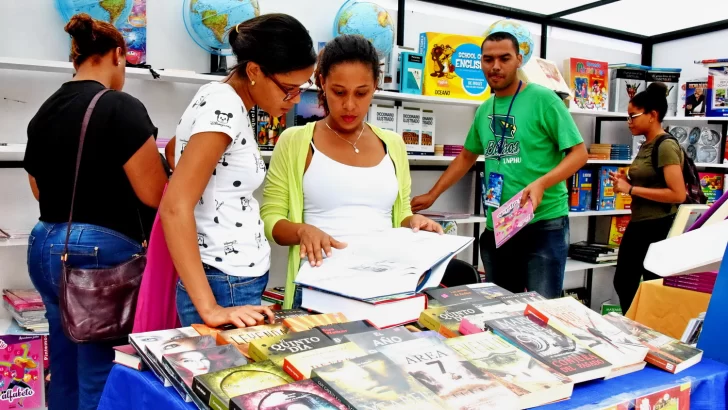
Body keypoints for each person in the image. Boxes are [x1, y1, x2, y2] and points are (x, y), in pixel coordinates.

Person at [23, 14, 167, 410]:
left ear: (76, 59)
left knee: (65, 360)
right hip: (99, 255)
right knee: (100, 369)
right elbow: (155, 193)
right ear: (118, 55)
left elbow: (38, 187)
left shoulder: (45, 111)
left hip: (45, 244)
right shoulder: (120, 106)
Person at [261, 35, 443, 309]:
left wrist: (415, 223)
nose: (349, 105)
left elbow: (401, 212)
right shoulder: (296, 141)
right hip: (318, 288)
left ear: (375, 88)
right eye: (338, 91)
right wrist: (302, 231)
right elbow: (270, 218)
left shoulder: (393, 144)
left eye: (361, 93)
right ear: (321, 83)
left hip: (385, 288)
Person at [160, 14, 317, 327]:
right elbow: (175, 208)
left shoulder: (216, 96)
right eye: (289, 88)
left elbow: (173, 150)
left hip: (231, 277)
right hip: (224, 283)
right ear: (255, 71)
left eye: (302, 88)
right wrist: (211, 310)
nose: (296, 99)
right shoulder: (226, 109)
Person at [411, 30, 588, 299]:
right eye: (488, 59)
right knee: (502, 308)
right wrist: (433, 194)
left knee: (543, 309)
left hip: (543, 224)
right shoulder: (484, 109)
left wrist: (542, 183)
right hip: (500, 226)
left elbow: (579, 154)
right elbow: (466, 157)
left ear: (518, 60)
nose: (495, 66)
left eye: (504, 58)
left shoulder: (544, 100)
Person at [610, 83, 686, 313]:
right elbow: (651, 180)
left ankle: (643, 331)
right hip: (641, 222)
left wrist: (631, 190)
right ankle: (636, 328)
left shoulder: (665, 146)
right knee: (625, 281)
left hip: (657, 225)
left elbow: (678, 194)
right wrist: (626, 184)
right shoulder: (647, 144)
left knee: (645, 284)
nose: (629, 121)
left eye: (633, 116)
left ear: (652, 115)